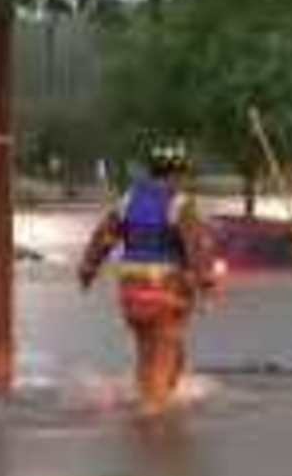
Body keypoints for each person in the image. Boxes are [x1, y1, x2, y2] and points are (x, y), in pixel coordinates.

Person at [78, 141, 218, 416]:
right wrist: (206, 284)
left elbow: (102, 238)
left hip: (130, 293)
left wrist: (88, 270)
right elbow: (196, 247)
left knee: (148, 352)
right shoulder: (180, 204)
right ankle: (153, 425)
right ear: (178, 173)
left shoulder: (128, 200)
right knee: (165, 353)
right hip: (166, 291)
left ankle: (148, 407)